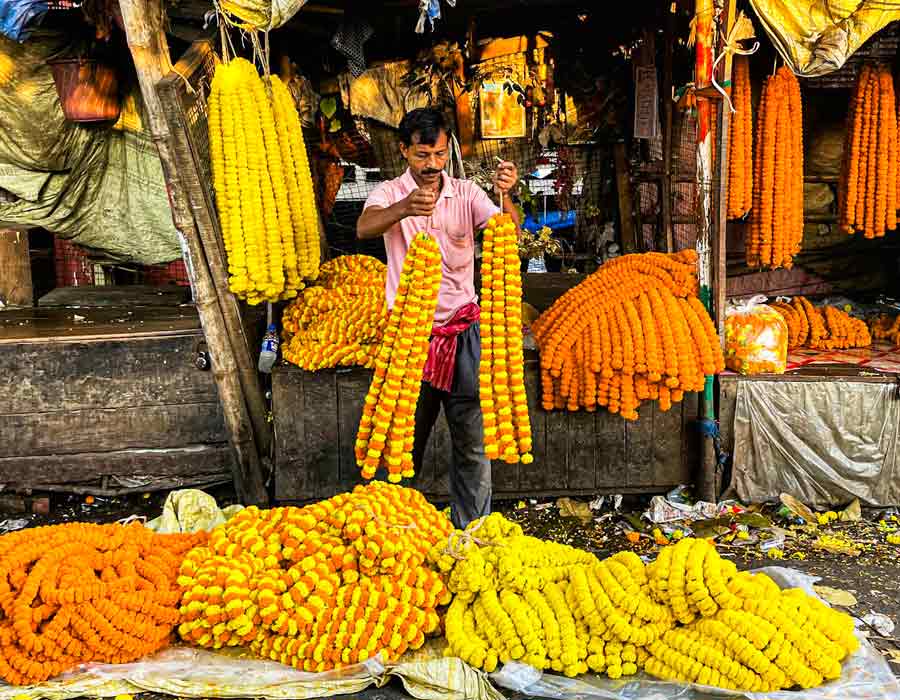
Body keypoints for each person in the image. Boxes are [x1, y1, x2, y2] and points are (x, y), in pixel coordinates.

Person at [356, 107, 520, 528]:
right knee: (403, 440)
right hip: (410, 339)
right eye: (422, 155)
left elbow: (509, 231)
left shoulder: (466, 194)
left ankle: (474, 529)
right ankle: (395, 528)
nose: (432, 165)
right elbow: (364, 227)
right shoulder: (390, 193)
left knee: (472, 441)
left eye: (440, 154)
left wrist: (508, 195)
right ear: (404, 151)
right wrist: (405, 208)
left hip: (465, 333)